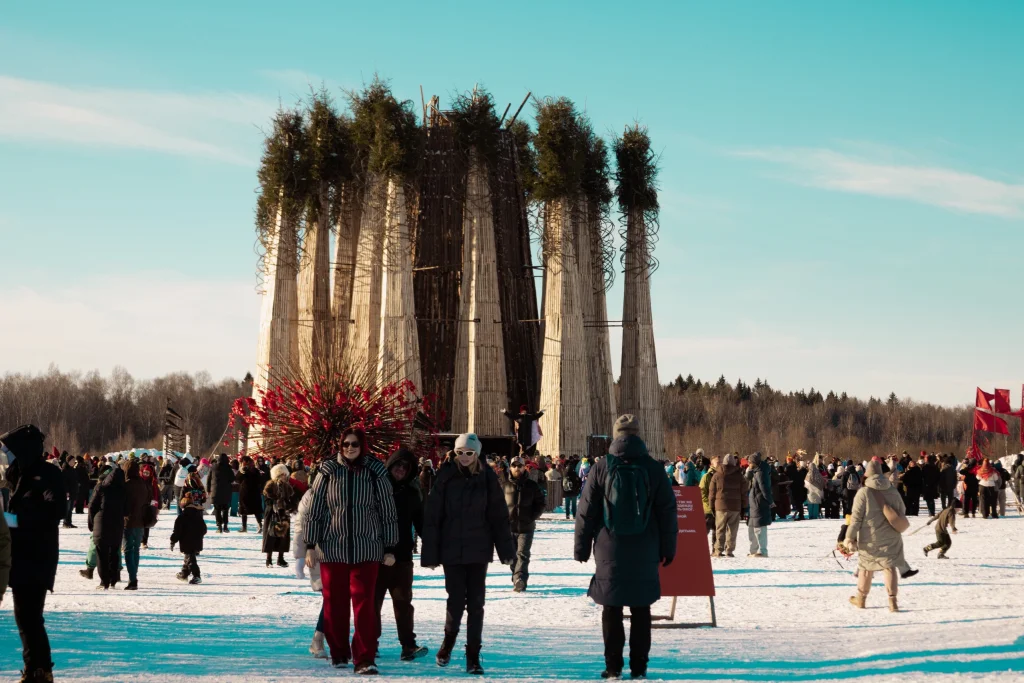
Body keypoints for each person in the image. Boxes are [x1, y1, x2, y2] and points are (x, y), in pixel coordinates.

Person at [574, 415, 676, 680]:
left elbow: (586, 511)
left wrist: (581, 547)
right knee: (641, 609)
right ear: (638, 434)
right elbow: (667, 511)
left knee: (612, 608)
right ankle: (639, 668)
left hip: (610, 547)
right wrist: (668, 547)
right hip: (646, 547)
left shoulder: (601, 466)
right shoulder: (654, 468)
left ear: (616, 434)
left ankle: (613, 667)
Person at [304, 428, 398, 675]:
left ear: (362, 444)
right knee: (334, 603)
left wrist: (389, 547)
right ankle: (339, 652)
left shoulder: (375, 471)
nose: (350, 448)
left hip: (366, 549)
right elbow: (314, 510)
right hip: (333, 548)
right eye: (345, 443)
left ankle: (365, 657)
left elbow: (387, 512)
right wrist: (310, 544)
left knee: (365, 605)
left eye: (354, 443)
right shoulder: (327, 471)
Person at [421, 433, 515, 675]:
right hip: (451, 550)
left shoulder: (487, 479)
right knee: (455, 600)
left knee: (476, 604)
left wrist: (506, 550)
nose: (464, 457)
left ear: (477, 454)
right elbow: (433, 516)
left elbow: (498, 516)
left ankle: (473, 654)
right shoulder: (444, 477)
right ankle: (448, 642)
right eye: (460, 452)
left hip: (478, 549)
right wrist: (430, 554)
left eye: (469, 453)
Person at [2, 425, 65, 683]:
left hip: (38, 554)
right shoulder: (17, 473)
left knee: (29, 616)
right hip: (18, 554)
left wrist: (16, 519)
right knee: (25, 617)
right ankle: (36, 667)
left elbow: (55, 509)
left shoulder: (48, 473)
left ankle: (39, 669)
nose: (9, 457)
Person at [375, 448, 428, 661]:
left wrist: (433, 546)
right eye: (398, 465)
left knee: (403, 604)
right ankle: (370, 643)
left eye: (405, 467)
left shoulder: (413, 493)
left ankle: (408, 645)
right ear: (390, 466)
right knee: (372, 604)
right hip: (376, 557)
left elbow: (422, 524)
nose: (401, 470)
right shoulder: (377, 489)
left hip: (403, 558)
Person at [843, 459, 907, 612]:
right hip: (891, 535)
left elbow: (856, 518)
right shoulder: (892, 490)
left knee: (866, 567)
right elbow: (902, 510)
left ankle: (861, 599)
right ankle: (893, 602)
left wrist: (849, 538)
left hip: (869, 537)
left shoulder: (863, 492)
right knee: (889, 566)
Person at [292, 472, 327, 658]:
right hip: (318, 553)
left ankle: (324, 638)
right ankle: (318, 638)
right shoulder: (311, 496)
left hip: (342, 553)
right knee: (331, 597)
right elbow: (300, 525)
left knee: (340, 598)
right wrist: (299, 556)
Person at [503, 456, 546, 593]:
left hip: (526, 527)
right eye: (514, 465)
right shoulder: (504, 485)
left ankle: (520, 579)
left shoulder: (532, 485)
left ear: (524, 467)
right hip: (508, 527)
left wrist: (532, 517)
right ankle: (515, 577)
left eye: (519, 466)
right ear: (510, 467)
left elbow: (541, 503)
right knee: (512, 556)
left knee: (522, 554)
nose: (517, 468)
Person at [89, 464, 127, 590]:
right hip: (117, 524)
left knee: (102, 553)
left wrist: (91, 523)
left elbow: (92, 506)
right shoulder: (123, 490)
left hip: (101, 523)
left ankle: (103, 581)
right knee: (114, 552)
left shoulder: (101, 487)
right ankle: (113, 579)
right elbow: (127, 511)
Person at [709, 454, 745, 557]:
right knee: (732, 530)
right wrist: (744, 506)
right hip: (735, 506)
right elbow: (744, 492)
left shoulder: (716, 475)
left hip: (720, 506)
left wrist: (711, 505)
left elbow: (711, 492)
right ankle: (729, 550)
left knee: (720, 529)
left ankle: (718, 550)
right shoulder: (739, 475)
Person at [122, 459, 150, 591]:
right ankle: (133, 577)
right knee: (136, 550)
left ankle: (132, 579)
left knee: (128, 550)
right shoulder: (142, 484)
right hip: (141, 521)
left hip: (128, 521)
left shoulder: (126, 485)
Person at [170, 493, 207, 584]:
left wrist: (173, 540)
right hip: (197, 541)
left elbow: (177, 532)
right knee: (189, 557)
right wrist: (199, 536)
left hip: (186, 541)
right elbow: (204, 529)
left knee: (190, 559)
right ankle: (184, 574)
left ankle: (196, 576)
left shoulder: (181, 517)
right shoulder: (198, 516)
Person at [263, 463, 294, 567]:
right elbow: (267, 498)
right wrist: (275, 501)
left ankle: (280, 558)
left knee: (283, 536)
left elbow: (291, 498)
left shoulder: (287, 486)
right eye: (283, 474)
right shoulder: (270, 484)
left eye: (285, 474)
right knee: (270, 535)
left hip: (283, 513)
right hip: (272, 513)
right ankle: (269, 559)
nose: (285, 476)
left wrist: (289, 506)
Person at [746, 452, 773, 558]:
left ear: (754, 463)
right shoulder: (755, 471)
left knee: (760, 527)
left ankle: (763, 551)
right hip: (754, 503)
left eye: (749, 462)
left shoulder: (760, 473)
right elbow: (746, 479)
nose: (748, 464)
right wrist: (748, 471)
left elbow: (764, 488)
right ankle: (753, 550)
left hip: (759, 503)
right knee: (752, 527)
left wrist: (770, 501)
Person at [208, 453, 234, 533]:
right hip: (226, 492)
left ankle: (219, 526)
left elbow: (209, 479)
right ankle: (225, 526)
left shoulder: (213, 467)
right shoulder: (229, 468)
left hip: (215, 491)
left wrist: (209, 489)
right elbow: (232, 479)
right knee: (225, 509)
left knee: (217, 509)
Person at [699, 456, 719, 547]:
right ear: (712, 464)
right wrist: (708, 505)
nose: (720, 464)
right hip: (708, 508)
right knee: (704, 531)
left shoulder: (721, 475)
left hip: (718, 507)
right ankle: (699, 548)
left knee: (717, 530)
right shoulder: (707, 476)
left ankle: (715, 549)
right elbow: (702, 492)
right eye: (717, 463)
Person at [60, 455, 80, 529]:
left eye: (74, 461)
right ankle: (65, 523)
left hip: (73, 491)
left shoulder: (73, 469)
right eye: (72, 461)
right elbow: (64, 482)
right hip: (68, 492)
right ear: (68, 461)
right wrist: (66, 491)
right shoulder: (65, 470)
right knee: (67, 508)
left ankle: (69, 522)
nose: (73, 462)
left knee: (71, 509)